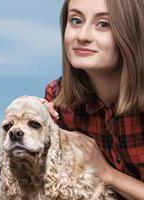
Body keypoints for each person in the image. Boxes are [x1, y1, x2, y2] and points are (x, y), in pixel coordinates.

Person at [40, 0, 144, 199]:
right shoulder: (58, 100)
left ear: (132, 31)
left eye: (103, 24)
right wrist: (29, 118)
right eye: (76, 21)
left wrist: (107, 174)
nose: (82, 36)